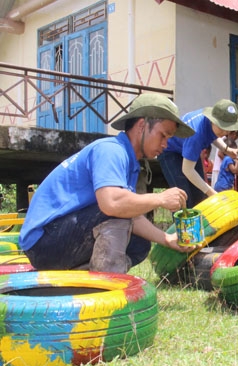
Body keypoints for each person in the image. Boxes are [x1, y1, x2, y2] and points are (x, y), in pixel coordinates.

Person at [19, 93, 197, 273]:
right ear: (142, 126)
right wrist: (160, 199)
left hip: (59, 238)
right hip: (43, 242)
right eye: (163, 135)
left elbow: (128, 212)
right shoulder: (111, 150)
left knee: (139, 244)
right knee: (118, 209)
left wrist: (167, 239)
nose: (166, 144)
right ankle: (108, 283)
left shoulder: (128, 161)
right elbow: (112, 204)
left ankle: (85, 276)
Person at [158, 99, 238, 208]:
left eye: (229, 129)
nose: (225, 133)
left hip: (188, 150)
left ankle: (199, 225)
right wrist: (212, 193)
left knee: (199, 196)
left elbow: (211, 135)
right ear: (213, 120)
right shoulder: (195, 133)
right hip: (170, 152)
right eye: (222, 128)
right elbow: (187, 170)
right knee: (183, 199)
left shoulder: (213, 122)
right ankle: (183, 225)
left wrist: (226, 149)